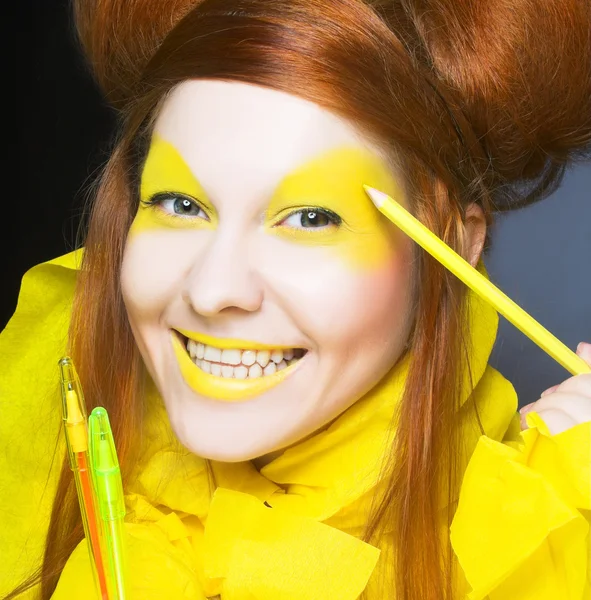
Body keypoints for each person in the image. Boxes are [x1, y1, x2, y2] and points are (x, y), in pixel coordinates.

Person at [2, 1, 590, 599]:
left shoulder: (548, 529)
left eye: (309, 218)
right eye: (180, 204)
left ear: (455, 244)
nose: (213, 290)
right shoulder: (36, 437)